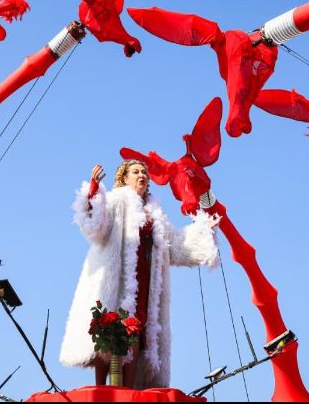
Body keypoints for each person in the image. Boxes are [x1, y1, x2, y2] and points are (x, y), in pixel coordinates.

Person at [60, 159, 221, 389]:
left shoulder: (156, 215)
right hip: (117, 279)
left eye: (144, 172)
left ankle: (127, 390)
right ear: (125, 178)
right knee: (109, 330)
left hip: (145, 281)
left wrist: (206, 226)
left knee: (137, 329)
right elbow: (96, 226)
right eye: (136, 171)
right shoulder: (117, 200)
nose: (142, 175)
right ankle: (103, 389)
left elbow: (176, 246)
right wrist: (94, 190)